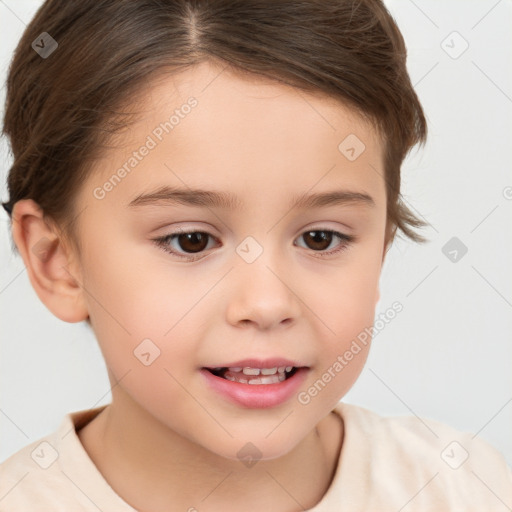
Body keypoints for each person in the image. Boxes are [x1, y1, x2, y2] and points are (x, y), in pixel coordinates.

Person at [1, 0, 510, 510]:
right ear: (56, 261)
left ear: (380, 250)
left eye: (320, 238)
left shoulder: (464, 489)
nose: (267, 303)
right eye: (191, 240)